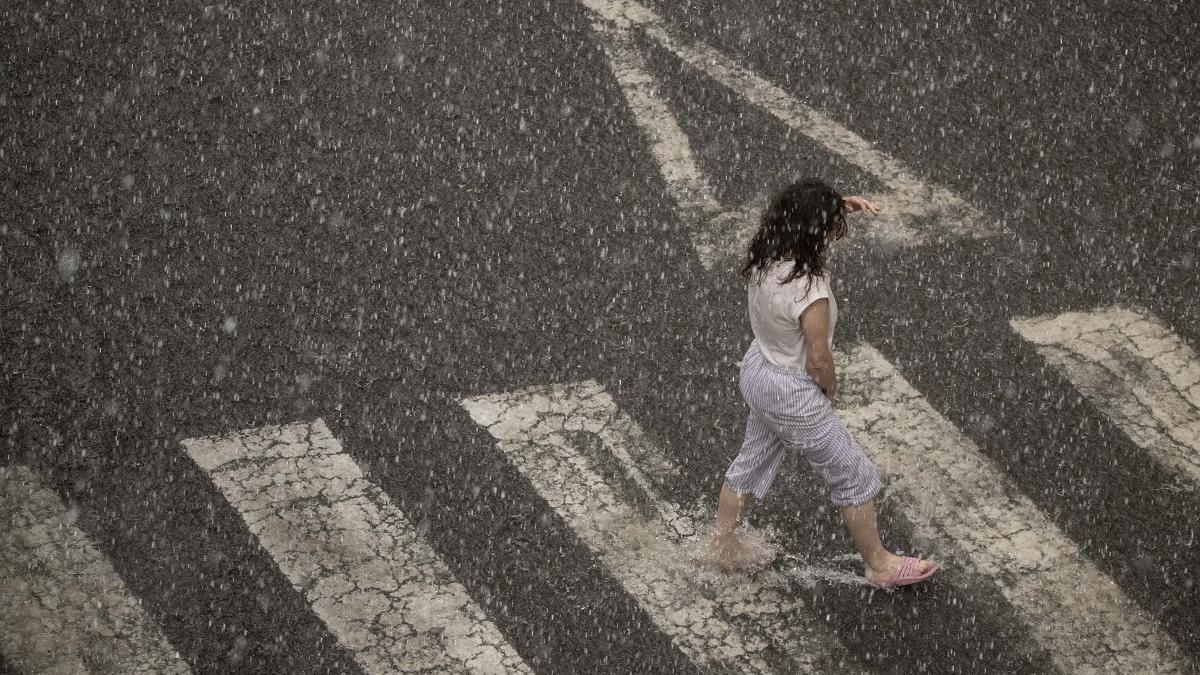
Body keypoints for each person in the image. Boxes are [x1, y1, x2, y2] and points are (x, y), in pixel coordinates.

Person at [710, 177, 939, 588]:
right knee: (852, 472)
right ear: (816, 231)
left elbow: (807, 240)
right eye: (832, 226)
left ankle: (723, 545)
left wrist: (836, 208)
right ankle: (879, 564)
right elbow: (818, 358)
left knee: (751, 463)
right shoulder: (809, 289)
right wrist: (828, 391)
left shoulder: (765, 254)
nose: (837, 233)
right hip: (791, 389)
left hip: (759, 368)